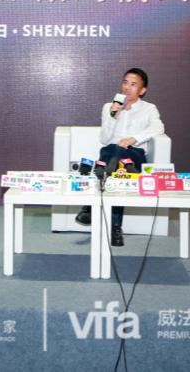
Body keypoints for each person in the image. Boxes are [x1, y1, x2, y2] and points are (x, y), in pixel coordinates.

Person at [76, 68, 165, 247]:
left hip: (133, 156)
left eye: (133, 84)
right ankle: (116, 228)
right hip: (112, 156)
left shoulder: (149, 109)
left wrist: (133, 139)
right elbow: (104, 138)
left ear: (142, 90)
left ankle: (90, 207)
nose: (127, 88)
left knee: (114, 154)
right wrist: (113, 117)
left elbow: (158, 127)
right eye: (125, 83)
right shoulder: (109, 107)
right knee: (112, 153)